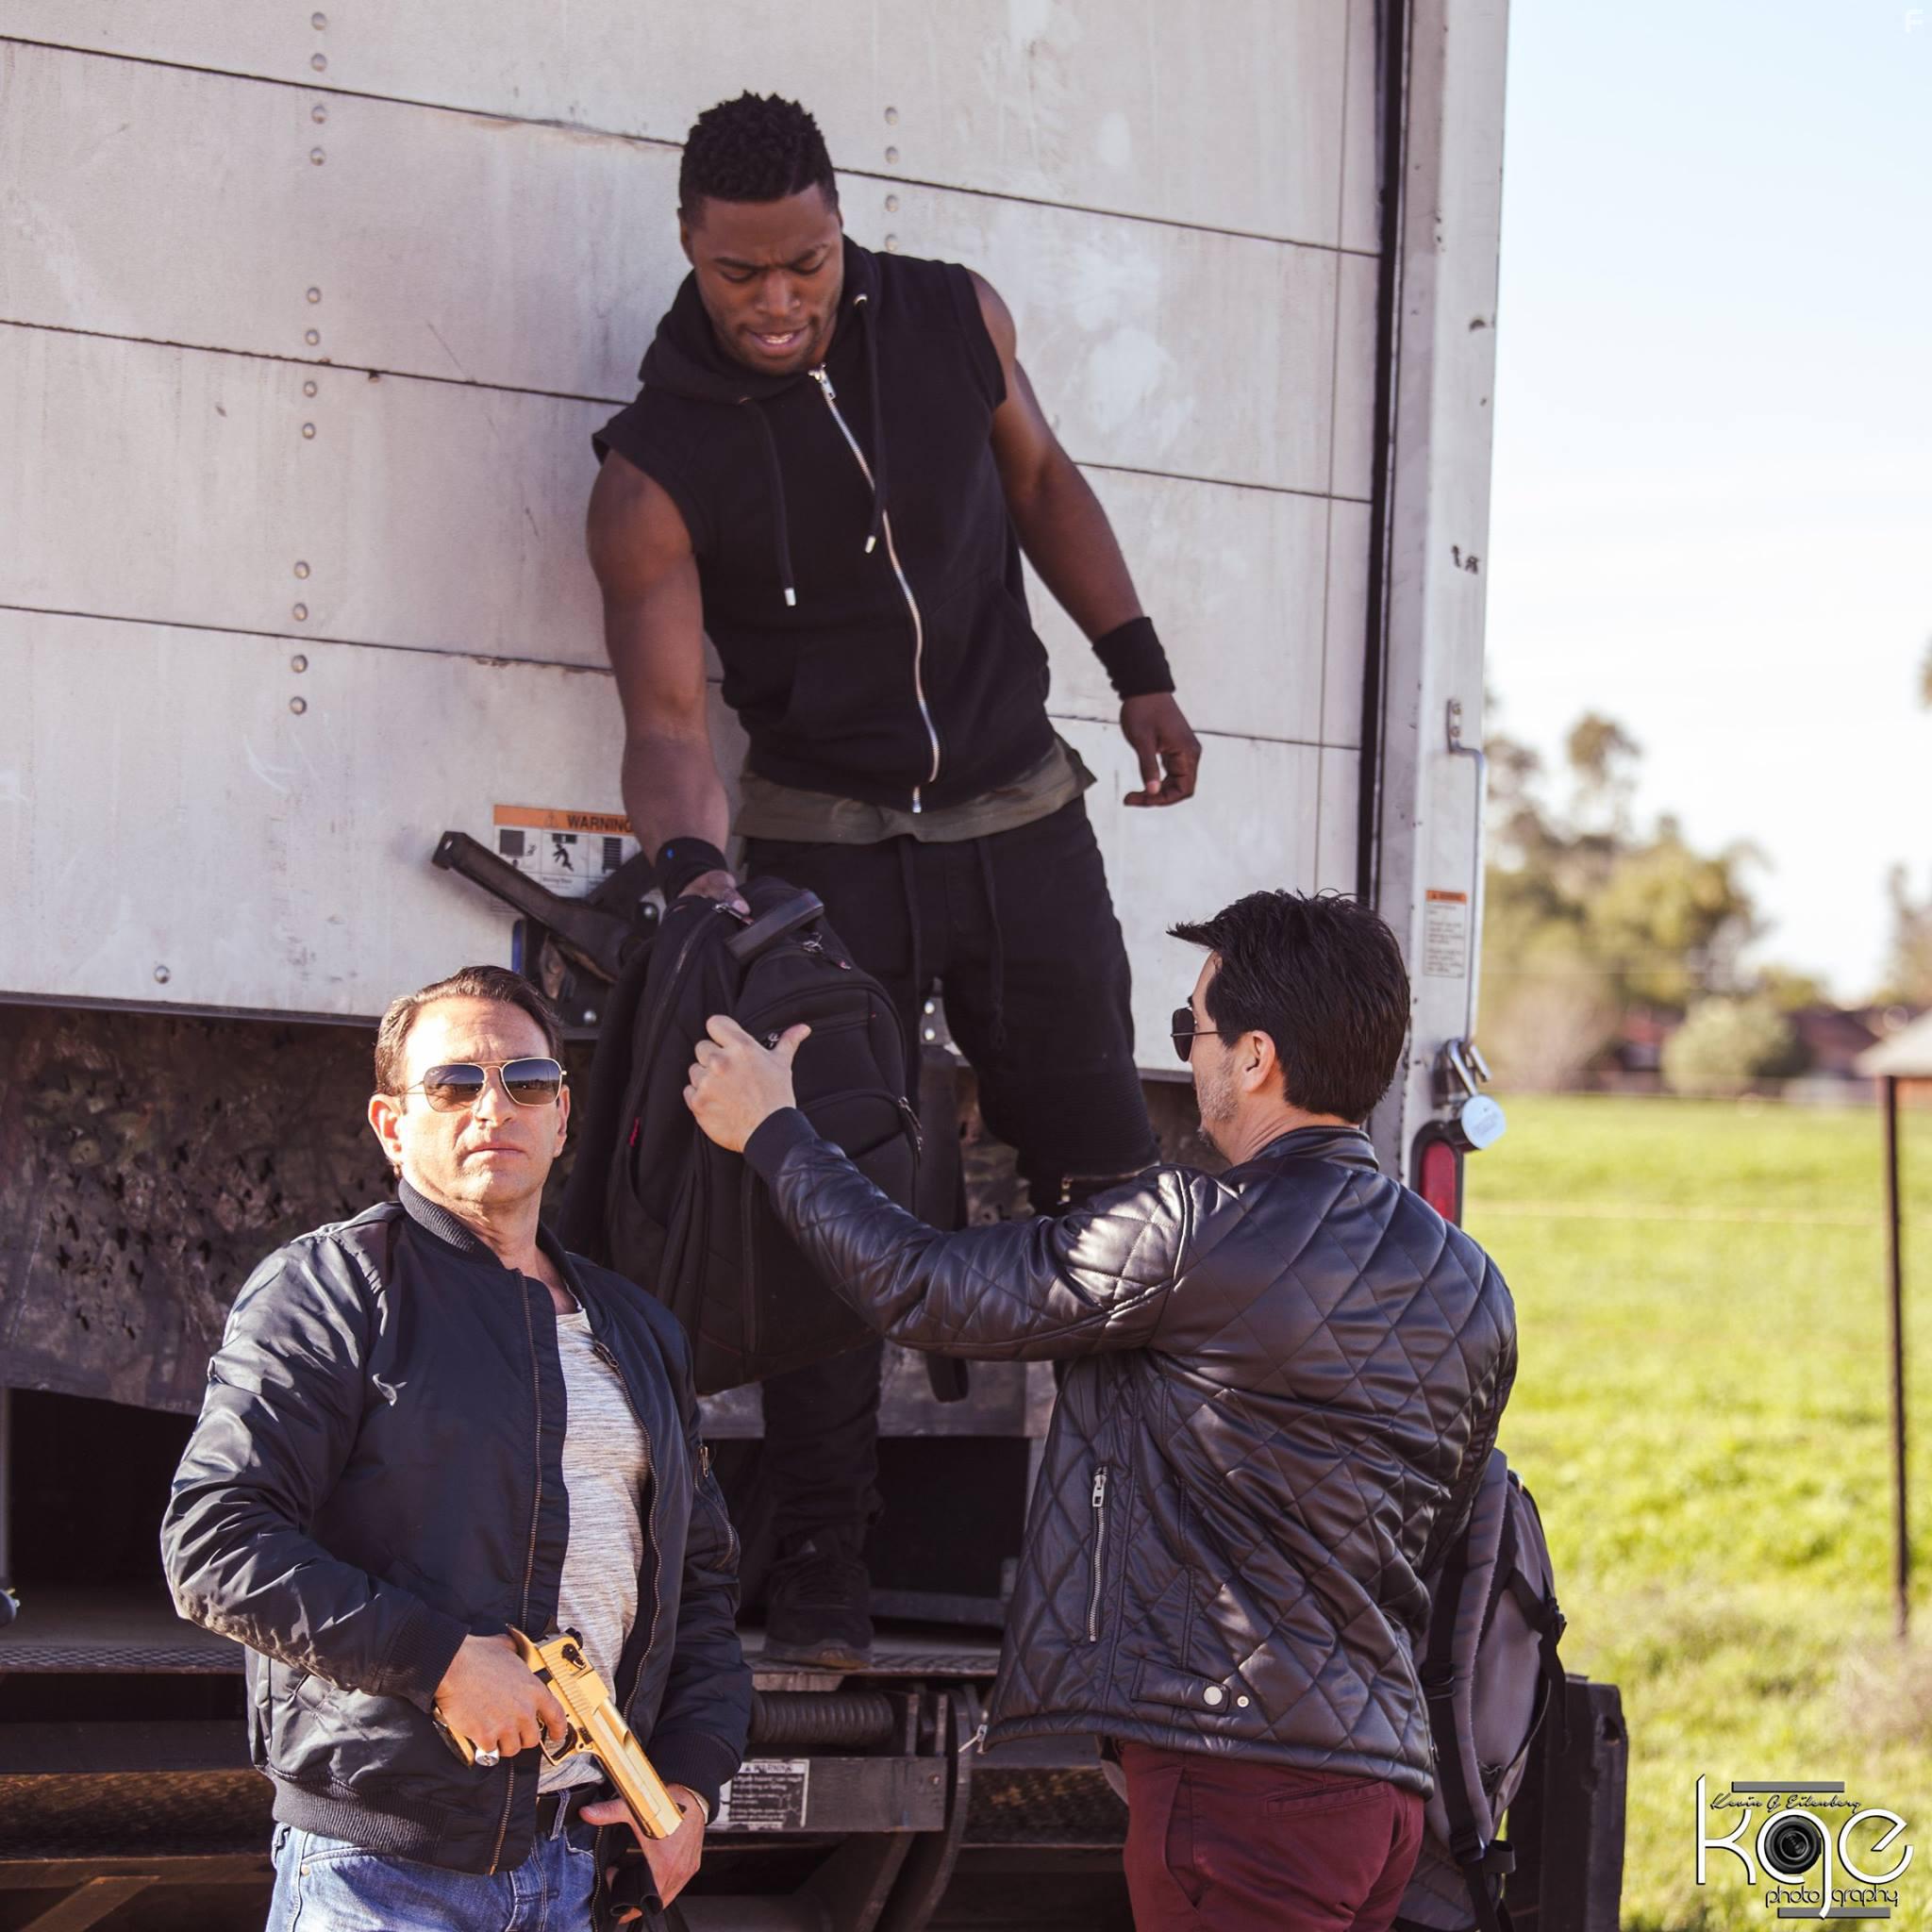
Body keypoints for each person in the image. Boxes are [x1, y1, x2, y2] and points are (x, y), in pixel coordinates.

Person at [586, 91, 1204, 1667]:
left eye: (802, 261)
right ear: (688, 252)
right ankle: (825, 1572)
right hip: (819, 853)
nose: (777, 299)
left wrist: (1134, 665)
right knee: (817, 1200)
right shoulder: (652, 468)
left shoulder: (950, 316)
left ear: (837, 225)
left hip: (1019, 818)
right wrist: (695, 876)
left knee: (1109, 1187)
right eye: (741, 276)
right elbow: (663, 723)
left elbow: (1044, 483)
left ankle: (1135, 1551)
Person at [685, 891, 1518, 1932]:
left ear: (1254, 1056)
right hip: (1384, 1784)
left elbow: (922, 1287)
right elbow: (1438, 1520)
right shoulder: (1473, 1281)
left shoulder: (1192, 1229)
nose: (1191, 1051)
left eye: (1191, 1029)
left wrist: (773, 1129)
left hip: (1238, 1786)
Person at [161, 965, 750, 1931]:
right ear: (393, 1124)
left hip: (575, 1865)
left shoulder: (639, 1328)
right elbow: (214, 1543)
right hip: (381, 1870)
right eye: (454, 1083)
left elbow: (704, 1582)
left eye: (526, 1081)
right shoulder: (331, 1287)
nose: (494, 1106)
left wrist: (687, 1778)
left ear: (562, 1115)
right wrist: (440, 1658)